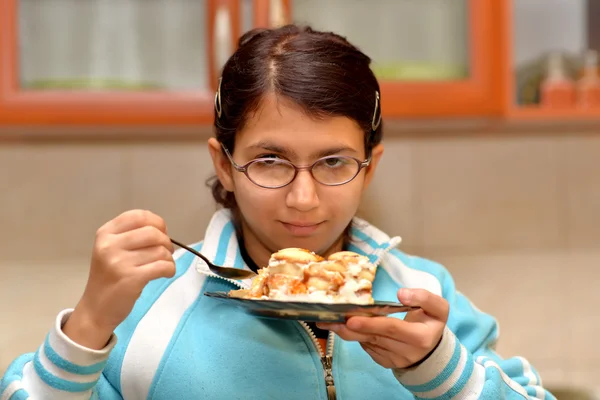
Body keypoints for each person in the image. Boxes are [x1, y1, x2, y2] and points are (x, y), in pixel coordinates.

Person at [0, 25, 554, 400]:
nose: (304, 199)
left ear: (371, 166)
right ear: (224, 164)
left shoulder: (424, 297)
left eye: (334, 162)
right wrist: (90, 323)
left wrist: (443, 372)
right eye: (270, 161)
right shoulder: (145, 314)